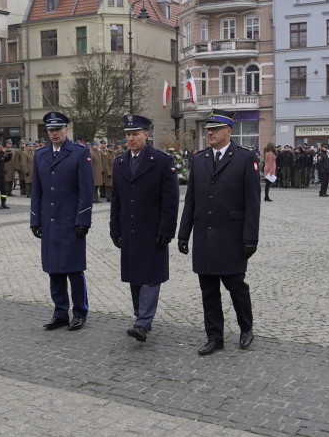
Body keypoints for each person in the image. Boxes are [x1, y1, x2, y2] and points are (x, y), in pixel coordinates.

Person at [177, 110, 261, 356]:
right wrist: (184, 233)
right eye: (208, 129)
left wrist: (250, 238)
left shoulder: (245, 159)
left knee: (237, 287)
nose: (209, 132)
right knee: (209, 291)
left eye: (215, 129)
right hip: (204, 236)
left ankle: (246, 328)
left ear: (229, 131)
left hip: (232, 237)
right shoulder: (200, 159)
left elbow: (252, 203)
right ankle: (214, 337)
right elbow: (190, 199)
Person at [109, 114, 179, 342]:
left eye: (135, 134)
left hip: (152, 228)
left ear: (146, 135)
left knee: (151, 276)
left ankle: (143, 322)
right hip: (129, 228)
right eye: (128, 134)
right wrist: (114, 228)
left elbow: (170, 199)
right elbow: (116, 199)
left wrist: (167, 229)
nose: (131, 138)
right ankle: (140, 317)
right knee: (135, 275)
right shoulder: (119, 162)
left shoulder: (161, 161)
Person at [30, 111, 94, 332]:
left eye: (58, 129)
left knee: (74, 270)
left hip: (71, 221)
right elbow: (36, 190)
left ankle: (79, 312)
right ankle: (60, 312)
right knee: (54, 270)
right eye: (50, 130)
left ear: (67, 129)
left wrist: (83, 218)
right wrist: (35, 220)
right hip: (49, 221)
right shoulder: (40, 155)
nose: (54, 133)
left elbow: (86, 190)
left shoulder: (79, 153)